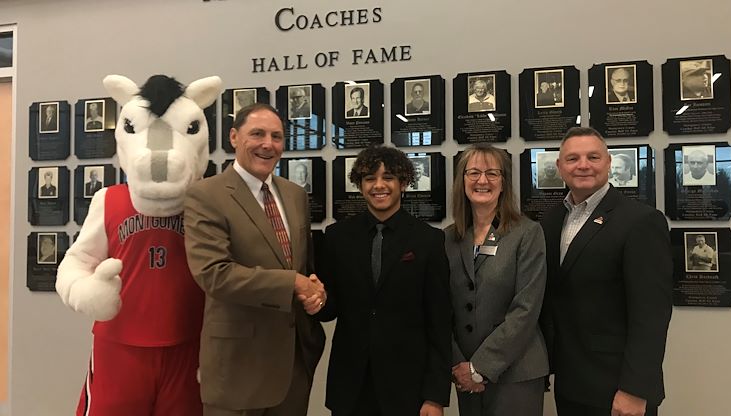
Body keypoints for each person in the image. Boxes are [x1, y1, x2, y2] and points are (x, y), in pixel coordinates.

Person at [184, 103, 326, 416]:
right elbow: (214, 274)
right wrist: (292, 283)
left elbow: (302, 267)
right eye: (257, 134)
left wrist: (314, 290)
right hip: (237, 367)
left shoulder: (294, 195)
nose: (268, 144)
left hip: (293, 364)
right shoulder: (206, 195)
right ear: (234, 137)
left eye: (277, 136)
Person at [540, 127, 673, 416]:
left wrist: (635, 389)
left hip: (618, 388)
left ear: (609, 162)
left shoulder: (641, 222)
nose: (583, 165)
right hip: (570, 382)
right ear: (560, 167)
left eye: (593, 156)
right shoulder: (551, 221)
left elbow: (651, 315)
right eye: (573, 158)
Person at [315, 146, 451, 416]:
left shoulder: (428, 240)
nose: (379, 185)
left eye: (388, 177)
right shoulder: (336, 237)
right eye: (369, 178)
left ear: (403, 184)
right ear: (360, 185)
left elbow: (440, 323)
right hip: (350, 386)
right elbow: (330, 310)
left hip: (407, 388)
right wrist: (315, 299)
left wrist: (435, 396)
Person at [446, 144, 549, 415]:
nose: (482, 181)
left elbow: (525, 310)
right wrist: (460, 364)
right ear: (462, 181)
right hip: (463, 372)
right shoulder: (448, 238)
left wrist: (481, 367)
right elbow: (439, 307)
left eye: (492, 173)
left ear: (503, 182)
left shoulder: (527, 233)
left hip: (516, 373)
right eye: (474, 173)